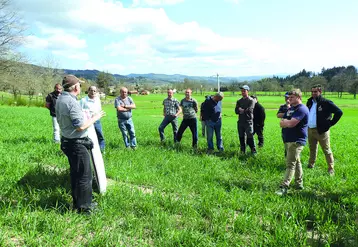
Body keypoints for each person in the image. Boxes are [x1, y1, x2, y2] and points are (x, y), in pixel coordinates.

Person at [55, 75, 105, 214]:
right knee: (84, 176)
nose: (80, 87)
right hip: (76, 144)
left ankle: (79, 203)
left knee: (76, 174)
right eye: (79, 85)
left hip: (67, 141)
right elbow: (80, 126)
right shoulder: (71, 102)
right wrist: (95, 117)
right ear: (76, 87)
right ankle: (84, 208)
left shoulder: (61, 99)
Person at [276, 89, 309, 196]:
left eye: (292, 97)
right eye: (289, 98)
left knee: (290, 164)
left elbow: (291, 123)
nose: (289, 99)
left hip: (297, 140)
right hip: (288, 139)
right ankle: (299, 184)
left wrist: (286, 122)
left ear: (299, 97)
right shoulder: (291, 109)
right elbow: (282, 122)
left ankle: (284, 187)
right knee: (296, 161)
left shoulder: (302, 109)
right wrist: (286, 122)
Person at [306, 84, 343, 175]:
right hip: (310, 130)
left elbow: (339, 112)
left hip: (322, 131)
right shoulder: (310, 102)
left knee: (326, 150)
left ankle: (331, 169)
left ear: (320, 92)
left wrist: (330, 123)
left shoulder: (326, 102)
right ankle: (311, 164)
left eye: (315, 91)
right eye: (312, 91)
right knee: (312, 149)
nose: (313, 93)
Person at [79, 86, 106, 152]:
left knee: (100, 135)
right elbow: (80, 111)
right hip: (87, 121)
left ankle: (102, 150)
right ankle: (89, 150)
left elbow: (99, 109)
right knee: (88, 136)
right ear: (88, 91)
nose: (93, 92)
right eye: (91, 90)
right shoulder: (83, 100)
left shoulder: (97, 100)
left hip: (97, 121)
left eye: (94, 91)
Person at [235, 85, 256, 154]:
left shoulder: (251, 100)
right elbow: (236, 111)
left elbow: (250, 110)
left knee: (250, 136)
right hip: (240, 121)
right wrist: (241, 110)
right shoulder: (239, 101)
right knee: (241, 136)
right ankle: (242, 150)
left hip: (248, 121)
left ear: (247, 91)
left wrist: (241, 110)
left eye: (244, 91)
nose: (243, 92)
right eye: (242, 91)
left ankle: (253, 150)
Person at [277, 92, 290, 156]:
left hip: (293, 129)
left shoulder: (296, 107)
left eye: (288, 97)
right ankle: (287, 161)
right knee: (286, 146)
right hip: (284, 129)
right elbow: (278, 115)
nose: (287, 99)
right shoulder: (282, 107)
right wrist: (287, 112)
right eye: (286, 97)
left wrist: (289, 108)